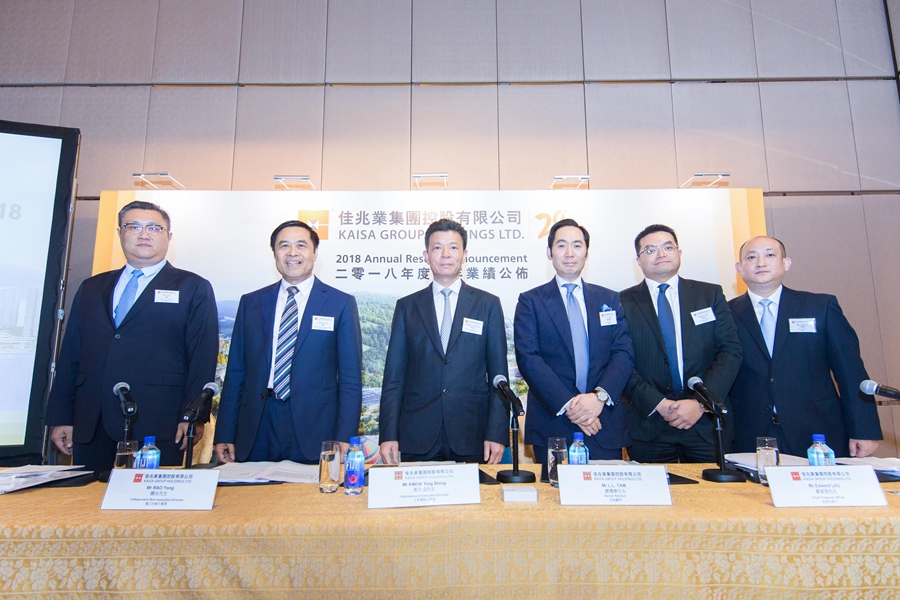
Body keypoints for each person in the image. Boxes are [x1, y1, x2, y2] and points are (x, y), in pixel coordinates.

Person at [45, 201, 219, 472]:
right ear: (120, 233)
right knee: (86, 497)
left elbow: (202, 356)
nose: (144, 234)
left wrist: (194, 417)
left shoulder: (193, 287)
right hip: (91, 422)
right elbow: (70, 355)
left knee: (148, 499)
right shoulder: (92, 287)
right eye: (134, 227)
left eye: (154, 228)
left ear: (168, 237)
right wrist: (62, 416)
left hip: (159, 422)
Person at [214, 221, 362, 464]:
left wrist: (345, 435)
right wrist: (225, 432)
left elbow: (350, 378)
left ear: (314, 253)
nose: (292, 253)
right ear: (274, 253)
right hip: (257, 423)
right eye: (284, 246)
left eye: (301, 245)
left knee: (308, 489)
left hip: (315, 425)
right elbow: (236, 373)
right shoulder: (251, 302)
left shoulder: (340, 303)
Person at [728, 236, 882, 457]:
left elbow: (850, 371)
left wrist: (864, 430)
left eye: (770, 255)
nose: (761, 262)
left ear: (786, 263)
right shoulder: (724, 314)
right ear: (739, 268)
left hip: (816, 432)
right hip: (748, 433)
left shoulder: (820, 307)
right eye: (751, 257)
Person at [378, 219, 509, 464]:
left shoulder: (487, 304)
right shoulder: (407, 307)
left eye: (453, 247)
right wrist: (388, 434)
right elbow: (394, 378)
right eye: (437, 247)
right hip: (417, 432)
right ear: (426, 256)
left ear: (465, 254)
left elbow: (498, 374)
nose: (445, 254)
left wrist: (497, 432)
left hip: (472, 432)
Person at [514, 218, 634, 466]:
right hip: (553, 421)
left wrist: (598, 398)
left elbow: (623, 353)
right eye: (561, 245)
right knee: (553, 490)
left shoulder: (609, 299)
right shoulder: (531, 301)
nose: (569, 253)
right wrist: (572, 406)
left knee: (604, 491)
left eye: (577, 245)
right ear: (549, 253)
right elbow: (528, 358)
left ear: (586, 252)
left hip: (602, 421)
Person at [619, 224, 742, 463]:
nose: (660, 254)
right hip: (648, 423)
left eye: (668, 247)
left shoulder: (709, 295)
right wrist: (658, 403)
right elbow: (619, 359)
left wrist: (701, 404)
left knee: (711, 488)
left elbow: (730, 351)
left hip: (706, 424)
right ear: (638, 261)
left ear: (679, 252)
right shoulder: (621, 302)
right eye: (650, 250)